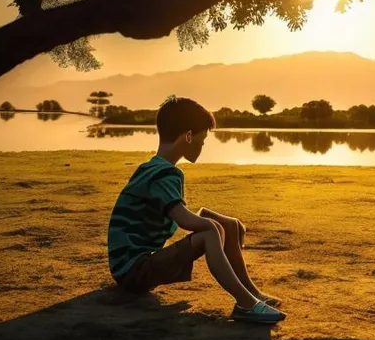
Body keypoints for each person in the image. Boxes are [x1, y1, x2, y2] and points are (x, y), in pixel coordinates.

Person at [108, 95, 286, 324]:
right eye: (202, 140)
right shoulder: (166, 173)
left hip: (132, 267)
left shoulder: (153, 167)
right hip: (133, 272)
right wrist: (215, 226)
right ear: (188, 136)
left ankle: (253, 293)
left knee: (222, 225)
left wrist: (227, 224)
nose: (202, 146)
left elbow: (177, 213)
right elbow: (184, 220)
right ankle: (246, 304)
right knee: (211, 231)